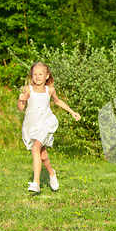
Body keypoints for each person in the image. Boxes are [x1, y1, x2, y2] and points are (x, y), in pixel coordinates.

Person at [17, 62, 81, 193]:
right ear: (31, 75)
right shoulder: (27, 89)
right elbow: (21, 108)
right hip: (32, 124)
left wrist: (72, 112)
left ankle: (36, 183)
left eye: (40, 74)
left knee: (36, 148)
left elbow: (57, 101)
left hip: (46, 122)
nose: (37, 77)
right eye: (34, 74)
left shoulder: (50, 90)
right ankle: (52, 173)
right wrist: (20, 99)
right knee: (43, 155)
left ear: (47, 76)